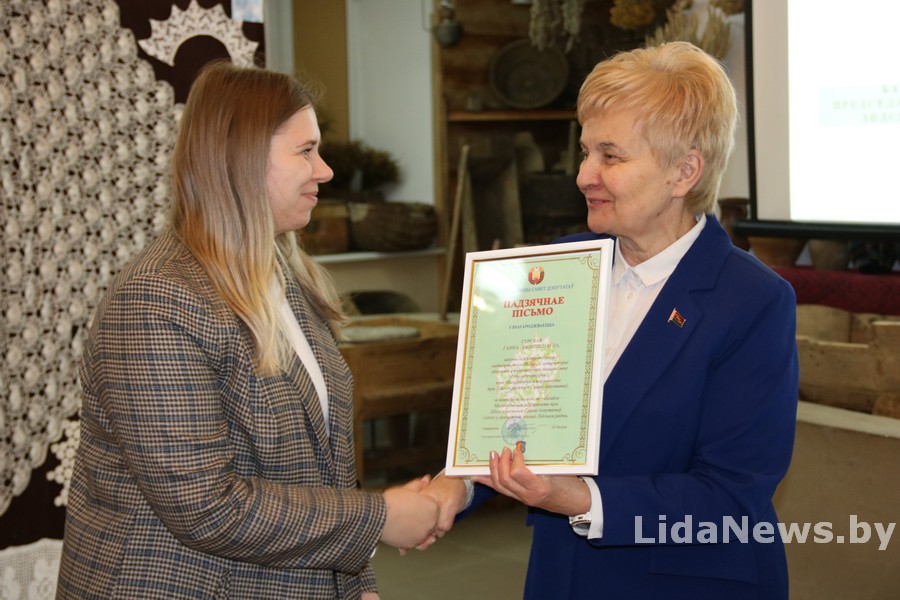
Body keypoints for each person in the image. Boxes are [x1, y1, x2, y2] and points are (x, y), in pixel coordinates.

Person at [425, 41, 799, 599]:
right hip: (561, 578)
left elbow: (731, 495)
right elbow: (508, 418)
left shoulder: (752, 300)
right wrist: (452, 487)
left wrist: (581, 499)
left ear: (684, 172)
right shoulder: (556, 267)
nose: (583, 175)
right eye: (585, 152)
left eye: (610, 156)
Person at [57, 61, 440, 600]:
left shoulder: (283, 278)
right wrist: (380, 517)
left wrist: (355, 585)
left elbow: (321, 466)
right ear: (240, 158)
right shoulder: (157, 299)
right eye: (305, 151)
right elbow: (205, 507)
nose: (325, 170)